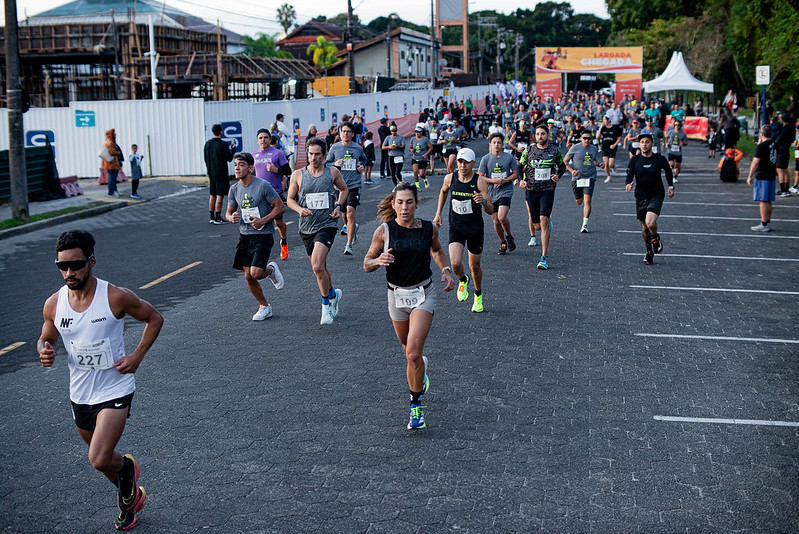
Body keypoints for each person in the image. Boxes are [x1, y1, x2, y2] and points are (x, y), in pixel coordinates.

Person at [38, 229, 164, 531]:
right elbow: (47, 336)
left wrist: (136, 356)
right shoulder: (54, 304)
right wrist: (45, 349)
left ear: (91, 262)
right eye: (62, 266)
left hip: (115, 387)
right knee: (106, 459)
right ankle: (127, 487)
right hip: (80, 394)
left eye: (75, 265)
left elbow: (154, 318)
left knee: (97, 457)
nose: (68, 272)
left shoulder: (114, 296)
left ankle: (126, 482)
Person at [363, 182, 456, 429]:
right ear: (393, 204)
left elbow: (436, 251)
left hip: (423, 293)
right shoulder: (384, 231)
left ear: (416, 203)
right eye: (400, 202)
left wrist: (446, 270)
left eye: (409, 202)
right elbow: (366, 263)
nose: (405, 207)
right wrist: (378, 260)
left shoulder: (428, 229)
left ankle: (416, 407)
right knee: (407, 350)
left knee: (414, 353)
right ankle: (420, 371)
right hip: (396, 296)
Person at [286, 137, 348, 324]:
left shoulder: (332, 172)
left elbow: (343, 190)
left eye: (317, 154)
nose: (313, 158)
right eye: (311, 154)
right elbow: (289, 199)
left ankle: (325, 306)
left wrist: (337, 206)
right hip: (306, 228)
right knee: (320, 268)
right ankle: (333, 294)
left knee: (317, 266)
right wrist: (299, 209)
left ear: (324, 155)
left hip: (327, 224)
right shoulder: (297, 175)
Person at [226, 152, 286, 320]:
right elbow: (228, 212)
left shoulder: (263, 186)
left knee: (257, 273)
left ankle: (271, 269)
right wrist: (231, 217)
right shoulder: (234, 189)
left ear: (250, 168)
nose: (237, 167)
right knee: (247, 275)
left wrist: (263, 221)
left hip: (263, 234)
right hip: (245, 236)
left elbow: (280, 207)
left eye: (241, 164)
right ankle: (264, 306)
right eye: (236, 164)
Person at [433, 148, 494, 313]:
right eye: (460, 161)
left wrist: (483, 202)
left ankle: (478, 295)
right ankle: (463, 280)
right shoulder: (450, 178)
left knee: (474, 266)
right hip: (456, 227)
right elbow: (443, 191)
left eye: (466, 162)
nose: (463, 165)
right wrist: (438, 213)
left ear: (473, 163)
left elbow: (490, 210)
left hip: (474, 229)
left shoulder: (479, 181)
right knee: (455, 263)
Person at [519, 124, 565, 270]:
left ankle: (543, 258)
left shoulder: (554, 150)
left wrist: (558, 175)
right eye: (538, 134)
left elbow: (562, 165)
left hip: (547, 189)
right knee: (537, 226)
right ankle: (543, 221)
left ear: (548, 135)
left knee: (543, 221)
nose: (540, 136)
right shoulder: (529, 150)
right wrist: (521, 179)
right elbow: (519, 166)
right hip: (531, 189)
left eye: (543, 134)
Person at [625, 132, 675, 264]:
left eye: (647, 142)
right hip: (641, 195)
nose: (644, 144)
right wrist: (628, 184)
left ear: (652, 144)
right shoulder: (635, 160)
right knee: (644, 227)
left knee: (650, 223)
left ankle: (655, 237)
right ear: (639, 144)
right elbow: (629, 175)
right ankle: (649, 252)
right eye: (642, 142)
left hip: (656, 194)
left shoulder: (659, 159)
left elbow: (668, 171)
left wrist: (670, 186)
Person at [326, 122, 367, 255]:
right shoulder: (335, 148)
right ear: (340, 133)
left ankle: (348, 245)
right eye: (343, 131)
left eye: (348, 131)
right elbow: (326, 163)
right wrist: (335, 163)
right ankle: (352, 227)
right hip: (339, 186)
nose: (346, 134)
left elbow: (364, 160)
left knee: (350, 212)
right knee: (344, 213)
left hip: (354, 185)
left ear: (352, 134)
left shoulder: (357, 148)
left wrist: (361, 167)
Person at [252, 129, 292, 260]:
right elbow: (251, 174)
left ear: (270, 139)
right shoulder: (253, 155)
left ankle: (284, 241)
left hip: (275, 193)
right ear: (257, 140)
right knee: (260, 222)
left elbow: (288, 170)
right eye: (260, 138)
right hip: (259, 194)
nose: (263, 140)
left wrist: (276, 170)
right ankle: (260, 250)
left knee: (279, 222)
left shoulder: (277, 153)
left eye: (265, 137)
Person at [478, 132, 519, 254]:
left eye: (499, 143)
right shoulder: (486, 159)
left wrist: (505, 180)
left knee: (502, 217)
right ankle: (503, 241)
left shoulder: (509, 158)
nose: (496, 145)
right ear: (490, 144)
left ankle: (508, 235)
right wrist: (493, 180)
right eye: (494, 142)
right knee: (496, 221)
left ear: (502, 144)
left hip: (506, 191)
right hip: (491, 193)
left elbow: (516, 174)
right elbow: (480, 177)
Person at [564, 129, 604, 233]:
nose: (587, 140)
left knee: (588, 201)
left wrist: (599, 164)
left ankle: (584, 225)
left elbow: (593, 159)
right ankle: (579, 197)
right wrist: (572, 171)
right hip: (577, 178)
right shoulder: (575, 148)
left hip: (590, 176)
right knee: (579, 201)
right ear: (581, 139)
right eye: (584, 138)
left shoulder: (594, 148)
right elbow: (565, 161)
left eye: (589, 138)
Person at [747, 124, 778, 232]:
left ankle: (764, 223)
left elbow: (755, 162)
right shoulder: (774, 144)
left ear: (761, 134)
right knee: (768, 200)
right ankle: (767, 221)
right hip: (771, 174)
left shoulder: (761, 147)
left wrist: (750, 175)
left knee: (763, 200)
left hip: (762, 175)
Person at [204, 124, 235, 224]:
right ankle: (218, 216)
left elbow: (205, 158)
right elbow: (229, 158)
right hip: (221, 172)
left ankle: (211, 216)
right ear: (221, 132)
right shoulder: (223, 144)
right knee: (220, 195)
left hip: (211, 172)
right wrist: (233, 149)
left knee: (212, 194)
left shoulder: (207, 144)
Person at [774, 113, 796, 197]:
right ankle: (786, 188)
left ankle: (783, 189)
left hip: (781, 150)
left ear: (783, 119)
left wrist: (773, 143)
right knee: (785, 169)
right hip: (786, 150)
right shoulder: (791, 127)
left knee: (780, 170)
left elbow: (780, 138)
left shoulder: (785, 128)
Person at [598, 116, 621, 183]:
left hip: (612, 148)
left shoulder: (614, 128)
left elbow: (619, 137)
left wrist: (614, 144)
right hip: (605, 147)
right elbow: (598, 137)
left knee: (611, 164)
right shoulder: (603, 128)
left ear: (608, 120)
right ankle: (608, 176)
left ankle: (613, 167)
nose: (603, 121)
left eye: (604, 120)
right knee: (606, 163)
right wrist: (600, 128)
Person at [101, 129, 122, 198]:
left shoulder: (110, 142)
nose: (115, 135)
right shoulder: (110, 142)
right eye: (114, 134)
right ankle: (111, 192)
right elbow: (111, 152)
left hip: (113, 163)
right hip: (111, 163)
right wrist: (118, 152)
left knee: (113, 177)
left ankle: (114, 190)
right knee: (112, 178)